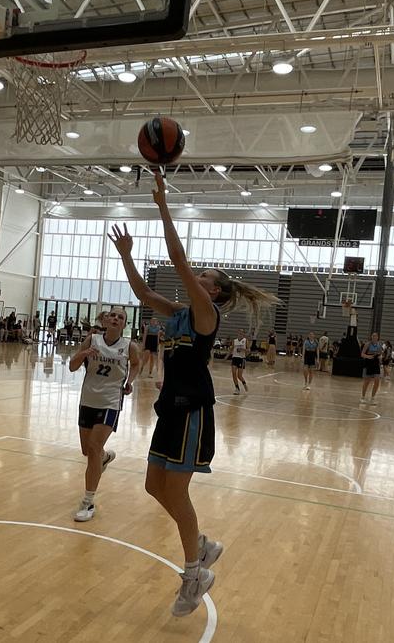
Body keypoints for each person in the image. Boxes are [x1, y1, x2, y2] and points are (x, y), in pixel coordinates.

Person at [108, 173, 277, 617]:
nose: (194, 275)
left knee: (177, 492)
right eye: (196, 274)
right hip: (170, 409)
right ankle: (200, 542)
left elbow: (177, 257)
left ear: (214, 290)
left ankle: (193, 573)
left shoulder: (206, 313)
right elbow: (142, 292)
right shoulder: (182, 312)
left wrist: (164, 205)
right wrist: (126, 257)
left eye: (202, 275)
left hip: (192, 409)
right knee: (152, 485)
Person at [69, 306, 140, 522]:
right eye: (113, 315)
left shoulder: (129, 346)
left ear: (124, 324)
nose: (116, 318)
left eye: (121, 317)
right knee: (87, 451)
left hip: (110, 402)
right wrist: (83, 353)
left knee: (93, 448)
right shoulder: (93, 340)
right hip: (88, 400)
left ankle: (88, 501)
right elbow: (72, 366)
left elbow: (136, 364)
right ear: (106, 319)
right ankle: (105, 457)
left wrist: (129, 382)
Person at [360, 332, 382, 405]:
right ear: (371, 337)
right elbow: (362, 354)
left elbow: (380, 354)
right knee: (367, 382)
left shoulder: (379, 345)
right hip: (368, 363)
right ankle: (362, 397)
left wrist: (380, 357)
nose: (374, 337)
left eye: (376, 336)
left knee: (377, 381)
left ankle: (372, 398)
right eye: (373, 336)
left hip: (376, 364)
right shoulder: (367, 344)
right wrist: (368, 356)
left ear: (378, 337)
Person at [226, 328, 248, 395]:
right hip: (235, 358)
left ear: (243, 334)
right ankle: (237, 388)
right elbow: (231, 349)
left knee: (239, 376)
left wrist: (243, 349)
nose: (240, 333)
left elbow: (249, 350)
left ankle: (244, 383)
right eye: (239, 332)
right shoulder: (234, 341)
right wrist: (226, 357)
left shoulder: (245, 340)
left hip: (241, 359)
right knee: (233, 373)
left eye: (241, 332)